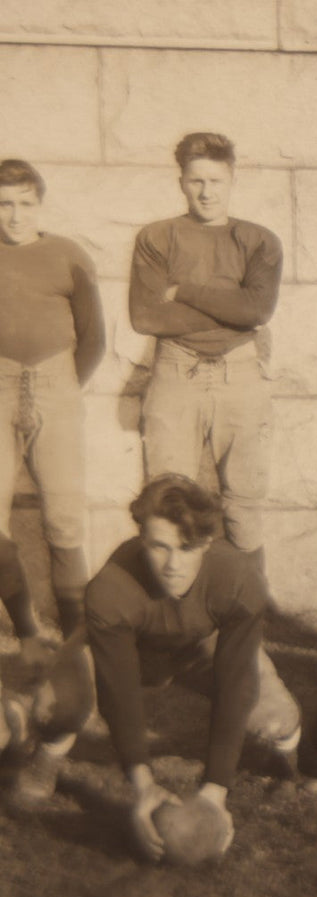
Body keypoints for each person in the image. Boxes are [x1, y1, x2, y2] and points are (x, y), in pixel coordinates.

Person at [10, 475, 301, 862]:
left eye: (187, 548)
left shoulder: (238, 579)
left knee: (277, 716)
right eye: (159, 547)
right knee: (58, 700)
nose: (172, 565)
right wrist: (142, 783)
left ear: (208, 542)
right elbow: (120, 692)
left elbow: (236, 682)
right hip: (132, 648)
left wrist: (216, 788)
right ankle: (49, 751)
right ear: (141, 537)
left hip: (199, 646)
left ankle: (291, 761)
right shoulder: (112, 587)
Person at [129, 132, 282, 556]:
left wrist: (181, 292)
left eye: (215, 181)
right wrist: (231, 309)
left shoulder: (259, 240)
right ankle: (171, 616)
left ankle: (248, 618)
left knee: (244, 505)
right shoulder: (157, 237)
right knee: (168, 500)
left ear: (231, 180)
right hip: (176, 371)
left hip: (240, 374)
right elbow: (145, 316)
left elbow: (257, 312)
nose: (206, 191)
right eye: (196, 181)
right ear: (181, 181)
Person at [0, 158, 104, 639]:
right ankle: (26, 628)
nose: (15, 216)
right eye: (3, 204)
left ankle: (77, 638)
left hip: (56, 387)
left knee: (63, 518)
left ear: (40, 205)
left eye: (25, 204)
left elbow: (94, 339)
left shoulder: (68, 255)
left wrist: (60, 388)